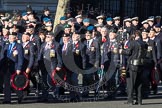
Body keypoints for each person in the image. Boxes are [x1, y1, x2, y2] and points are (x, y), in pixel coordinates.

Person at [120, 31, 148, 105]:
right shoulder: (144, 43)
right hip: (141, 65)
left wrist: (121, 51)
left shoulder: (133, 43)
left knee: (130, 84)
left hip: (132, 65)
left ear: (135, 36)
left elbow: (128, 52)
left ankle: (130, 100)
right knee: (139, 84)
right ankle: (139, 100)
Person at [38, 32, 62, 102]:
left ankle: (55, 95)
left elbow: (59, 57)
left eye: (48, 36)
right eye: (46, 36)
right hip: (43, 65)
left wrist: (59, 65)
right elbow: (40, 56)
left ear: (52, 37)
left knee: (52, 81)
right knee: (44, 81)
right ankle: (44, 96)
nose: (47, 38)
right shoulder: (43, 45)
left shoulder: (56, 45)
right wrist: (38, 64)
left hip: (52, 65)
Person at [1, 32, 24, 104]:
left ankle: (20, 95)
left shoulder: (19, 46)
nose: (10, 39)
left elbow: (20, 58)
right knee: (6, 83)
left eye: (12, 37)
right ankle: (7, 99)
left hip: (14, 67)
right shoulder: (6, 45)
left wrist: (19, 68)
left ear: (15, 38)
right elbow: (2, 56)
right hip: (6, 67)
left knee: (15, 83)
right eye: (9, 37)